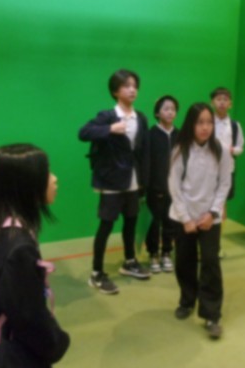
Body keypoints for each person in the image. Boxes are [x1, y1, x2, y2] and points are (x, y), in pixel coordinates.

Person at [0, 143, 70, 367]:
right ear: (25, 184)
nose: (54, 179)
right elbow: (29, 319)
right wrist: (58, 342)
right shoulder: (18, 249)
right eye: (46, 173)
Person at [79, 69, 151, 295]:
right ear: (115, 91)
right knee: (106, 225)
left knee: (131, 221)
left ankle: (129, 262)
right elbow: (83, 133)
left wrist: (144, 180)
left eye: (135, 85)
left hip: (133, 180)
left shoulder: (141, 118)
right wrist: (110, 129)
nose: (132, 89)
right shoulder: (107, 116)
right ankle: (96, 273)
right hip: (110, 180)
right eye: (126, 85)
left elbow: (143, 150)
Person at [169, 102, 232, 340]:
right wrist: (186, 219)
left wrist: (213, 213)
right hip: (183, 217)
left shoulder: (221, 150)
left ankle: (211, 314)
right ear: (191, 125)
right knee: (184, 262)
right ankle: (187, 301)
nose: (205, 127)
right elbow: (174, 186)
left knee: (210, 263)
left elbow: (224, 183)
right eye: (200, 123)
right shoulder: (179, 150)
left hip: (209, 219)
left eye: (209, 123)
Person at [146, 95, 179, 273]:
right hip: (155, 189)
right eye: (166, 109)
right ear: (157, 113)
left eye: (173, 109)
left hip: (174, 189)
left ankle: (166, 252)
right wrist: (147, 186)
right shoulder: (151, 134)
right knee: (154, 223)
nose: (170, 112)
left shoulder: (179, 135)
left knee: (170, 222)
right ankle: (153, 254)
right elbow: (146, 163)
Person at [210, 87, 245, 257]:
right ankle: (204, 243)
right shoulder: (207, 122)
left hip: (227, 171)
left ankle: (217, 244)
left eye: (225, 99)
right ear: (212, 102)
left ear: (230, 103)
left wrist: (232, 150)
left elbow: (240, 147)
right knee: (205, 204)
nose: (222, 102)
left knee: (221, 206)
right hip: (207, 171)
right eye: (218, 99)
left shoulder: (234, 125)